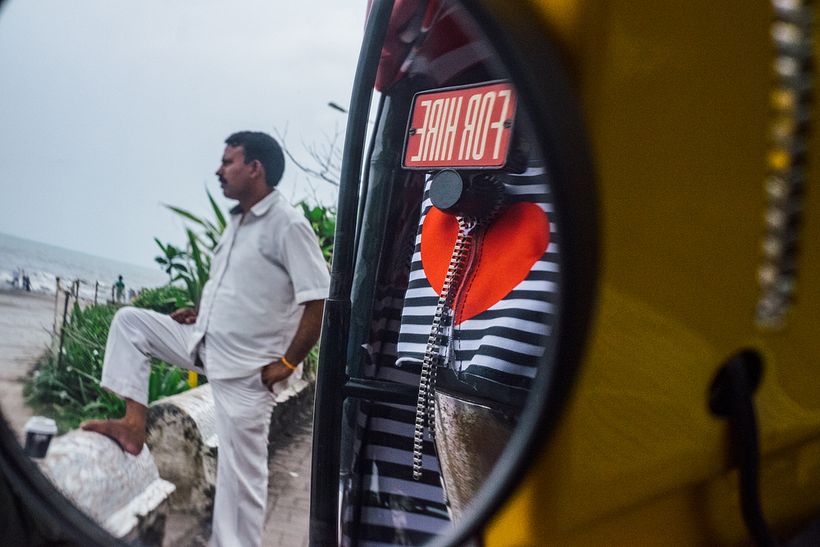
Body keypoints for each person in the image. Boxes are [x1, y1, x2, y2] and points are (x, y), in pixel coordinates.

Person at [81, 131, 330, 547]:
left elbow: (318, 298)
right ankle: (133, 425)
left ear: (255, 168)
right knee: (131, 323)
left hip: (249, 375)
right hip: (206, 344)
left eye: (228, 161)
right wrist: (203, 313)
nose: (219, 169)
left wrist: (287, 364)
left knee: (240, 488)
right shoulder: (238, 222)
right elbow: (243, 287)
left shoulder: (287, 224)